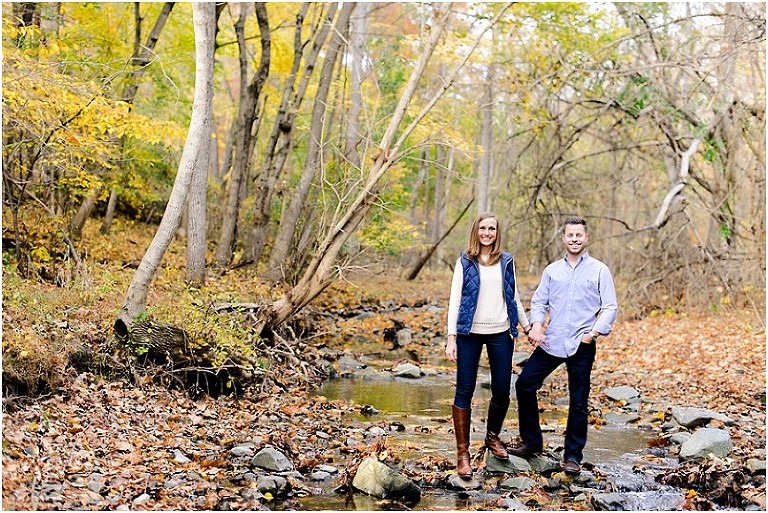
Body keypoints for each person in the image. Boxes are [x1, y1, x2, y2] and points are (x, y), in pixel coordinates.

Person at [509, 216, 618, 475]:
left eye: (579, 235)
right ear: (563, 238)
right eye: (570, 235)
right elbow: (539, 302)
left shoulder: (600, 270)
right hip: (553, 340)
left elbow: (610, 307)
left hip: (582, 342)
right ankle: (532, 443)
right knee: (524, 385)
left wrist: (593, 333)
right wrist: (536, 325)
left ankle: (572, 456)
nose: (574, 239)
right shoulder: (552, 270)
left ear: (586, 237)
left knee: (579, 400)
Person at [445, 212, 531, 477]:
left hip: (501, 332)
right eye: (482, 228)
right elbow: (454, 300)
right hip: (470, 333)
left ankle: (492, 436)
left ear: (497, 232)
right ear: (476, 231)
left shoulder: (506, 261)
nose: (487, 232)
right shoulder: (465, 261)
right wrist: (451, 337)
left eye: (491, 228)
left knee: (503, 390)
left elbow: (513, 296)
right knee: (465, 390)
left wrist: (527, 326)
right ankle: (463, 454)